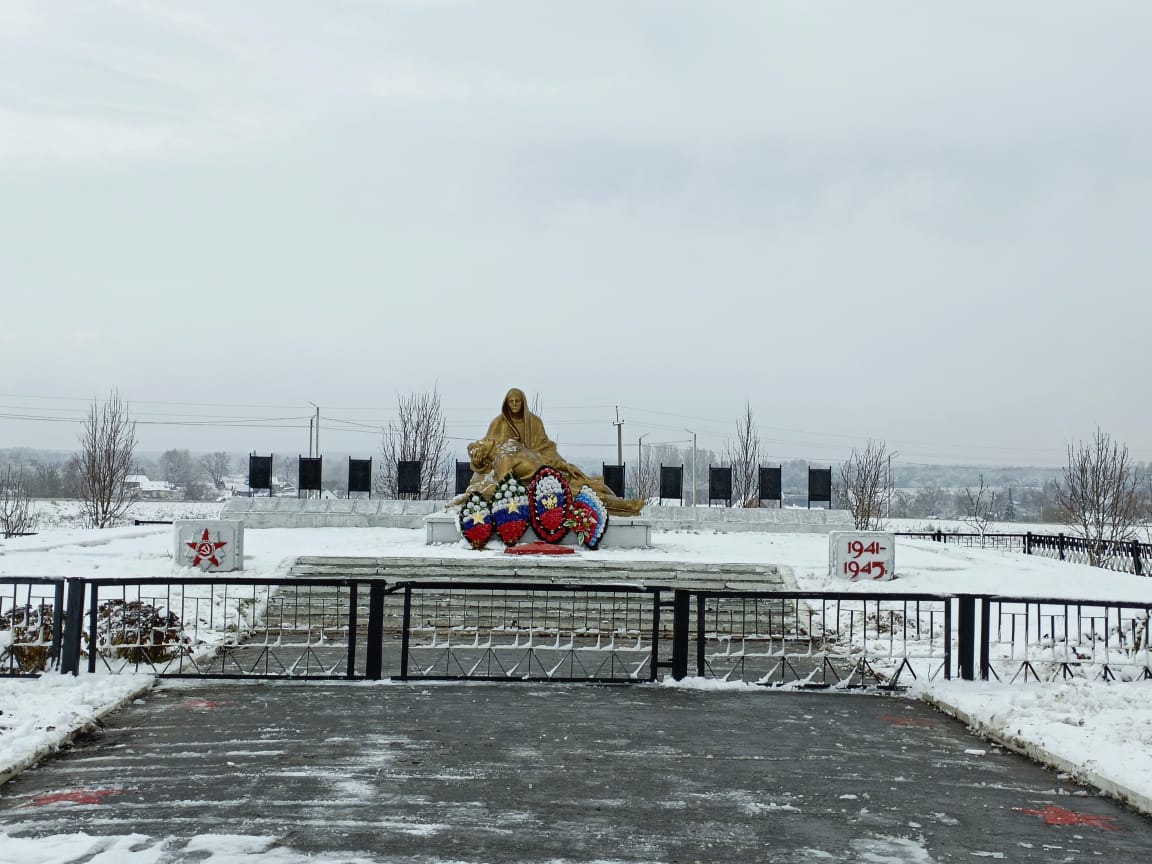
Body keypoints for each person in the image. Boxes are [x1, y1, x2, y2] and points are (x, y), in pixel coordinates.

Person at [454, 387, 644, 517]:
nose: (514, 404)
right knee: (578, 492)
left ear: (523, 403)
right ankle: (621, 506)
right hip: (531, 481)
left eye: (517, 401)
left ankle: (619, 502)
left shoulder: (533, 424)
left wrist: (565, 466)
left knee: (581, 480)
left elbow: (545, 451)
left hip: (542, 469)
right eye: (511, 401)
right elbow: (488, 467)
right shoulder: (498, 430)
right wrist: (477, 461)